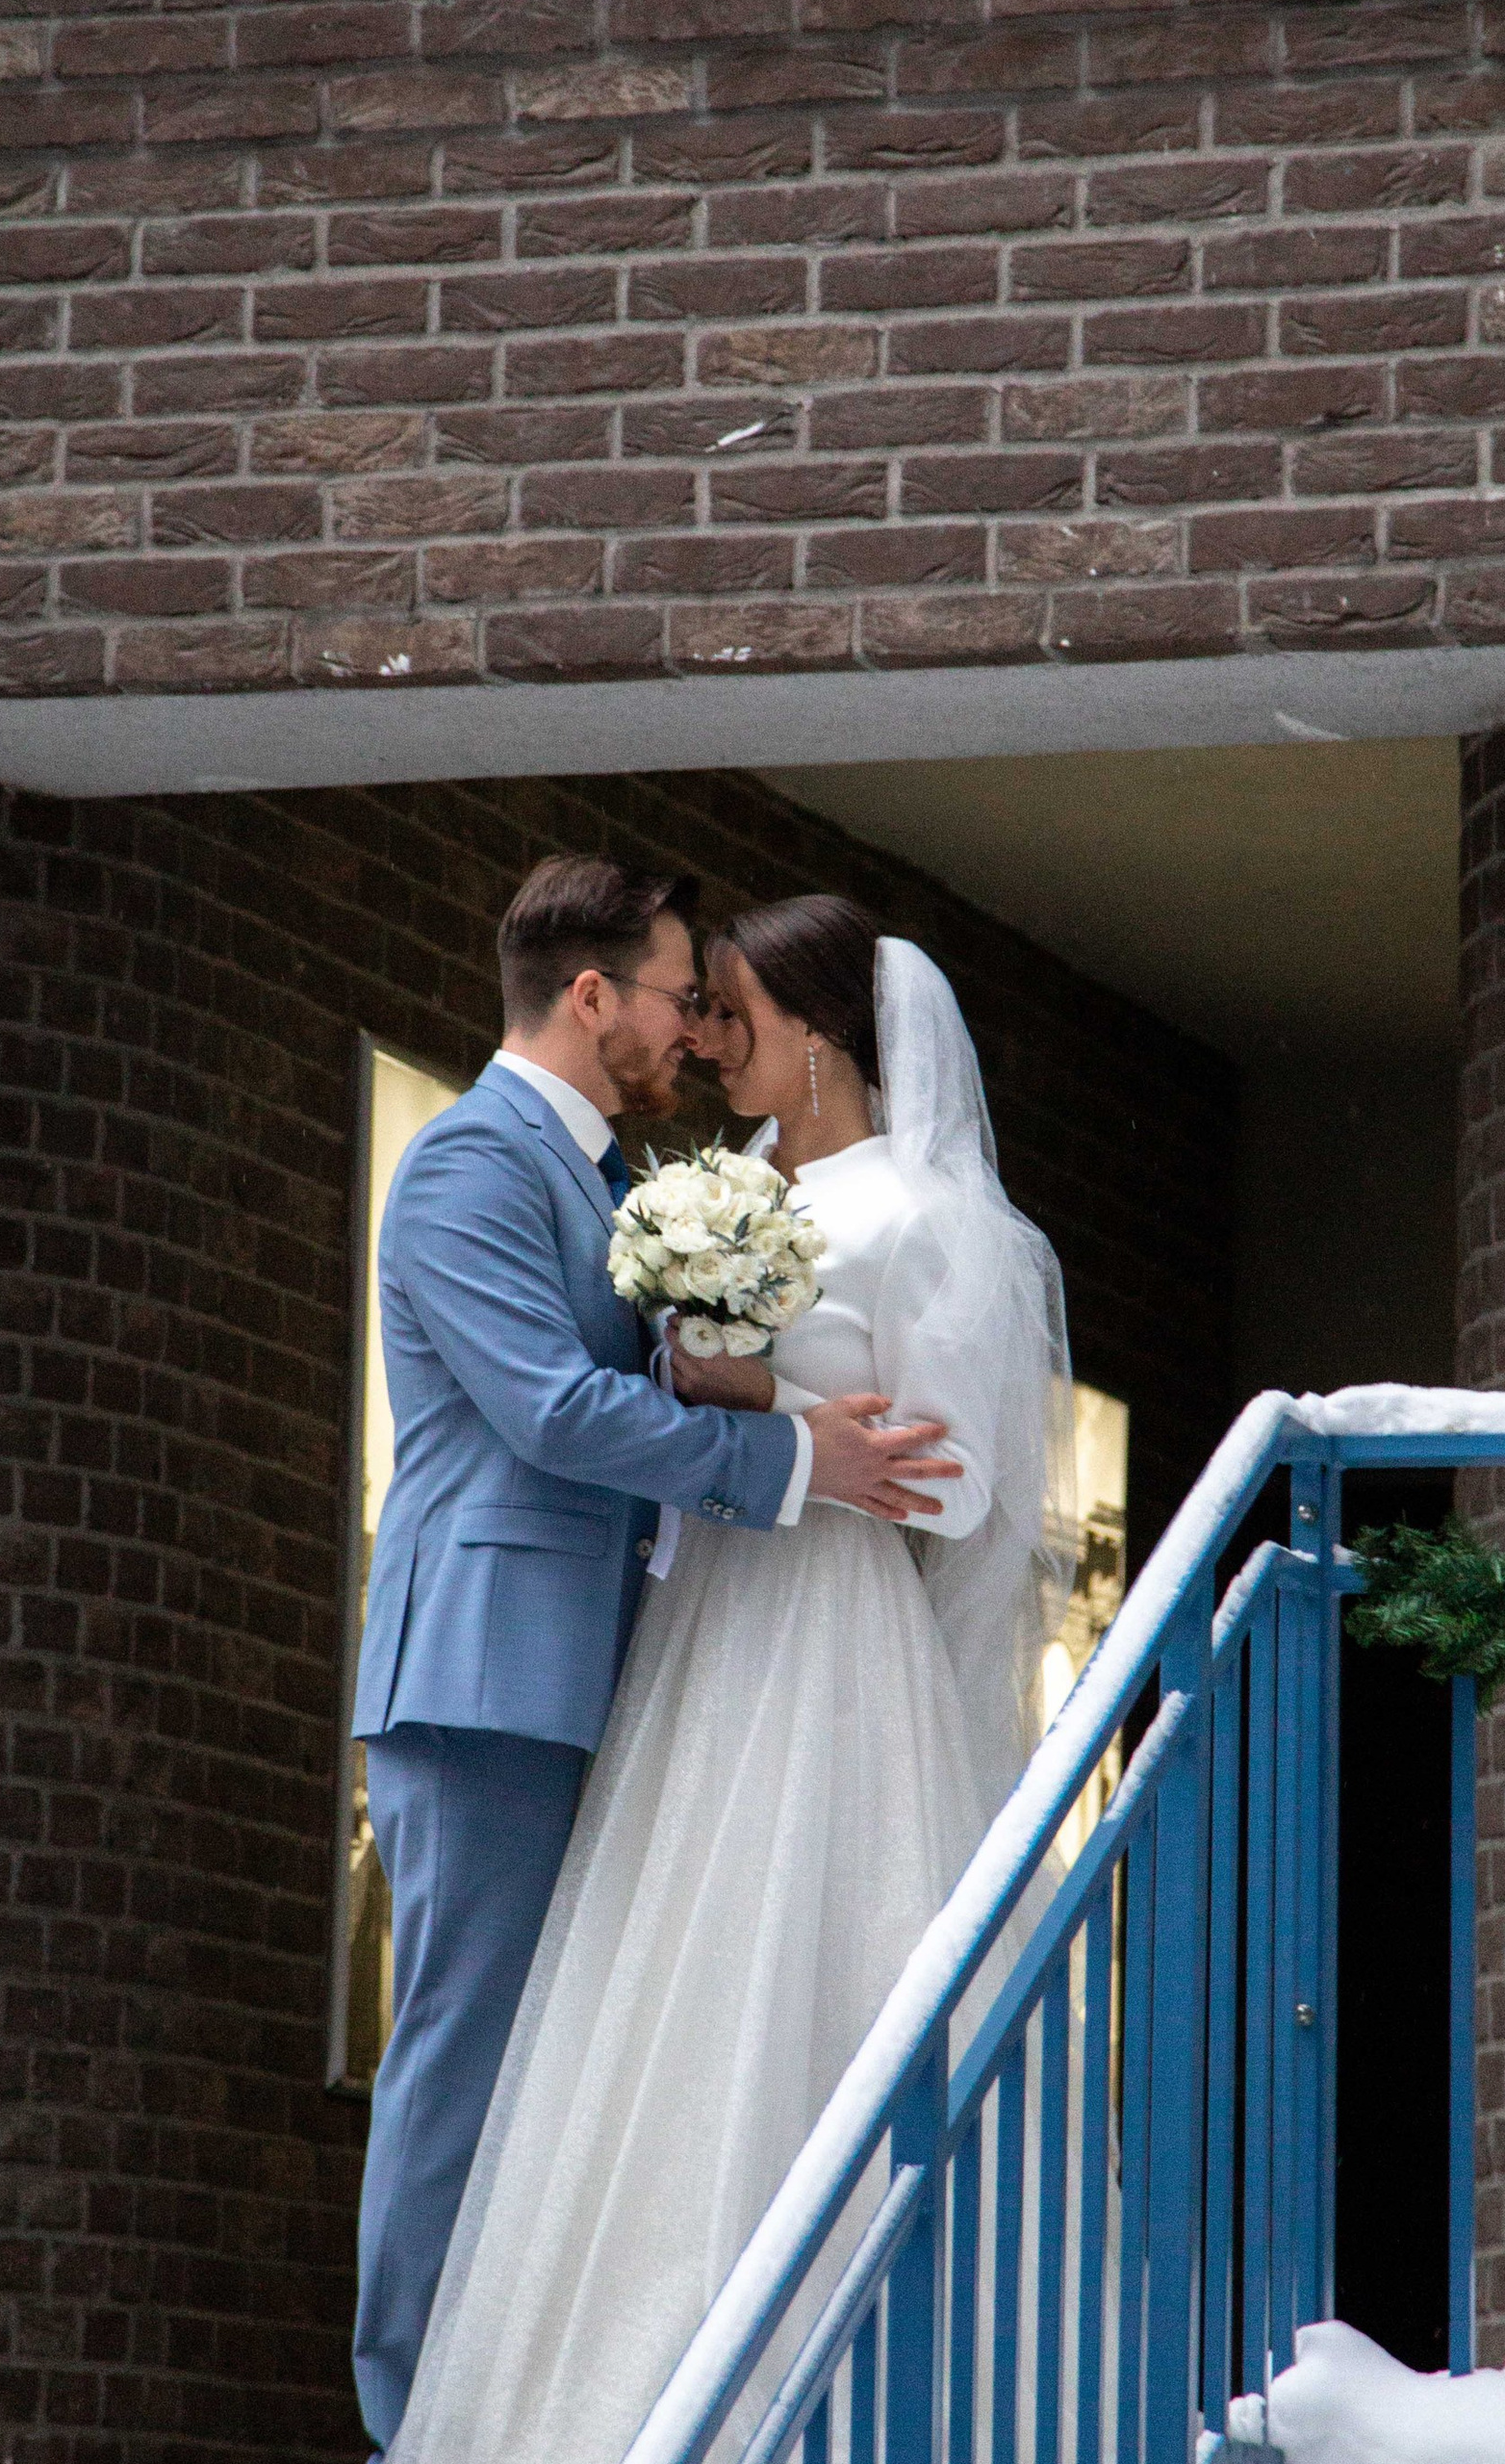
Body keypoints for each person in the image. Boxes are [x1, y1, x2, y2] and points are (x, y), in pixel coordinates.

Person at [388, 894, 1076, 2464]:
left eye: (733, 1010)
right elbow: (597, 1405)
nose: (703, 1036)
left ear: (820, 1031)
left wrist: (786, 1418)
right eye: (691, 1005)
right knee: (642, 1980)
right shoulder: (708, 1190)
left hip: (829, 1631)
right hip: (699, 1621)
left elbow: (962, 1488)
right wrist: (745, 1411)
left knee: (811, 1956)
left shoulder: (927, 1213)